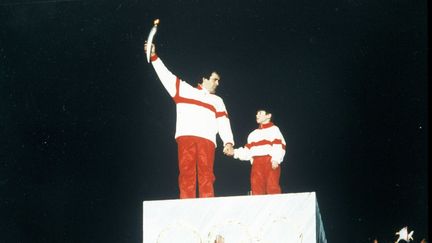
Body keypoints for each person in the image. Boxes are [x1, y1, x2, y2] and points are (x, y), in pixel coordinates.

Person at [144, 42, 234, 199]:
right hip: (186, 137)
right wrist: (153, 56)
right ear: (204, 78)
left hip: (207, 140)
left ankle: (207, 206)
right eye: (215, 79)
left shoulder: (217, 100)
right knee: (187, 173)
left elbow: (223, 122)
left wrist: (228, 142)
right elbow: (166, 75)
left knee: (207, 175)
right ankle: (186, 206)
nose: (217, 83)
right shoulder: (183, 90)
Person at [226, 109, 286, 195]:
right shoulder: (253, 134)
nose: (257, 115)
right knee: (256, 188)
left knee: (272, 186)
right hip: (256, 163)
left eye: (260, 113)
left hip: (269, 161)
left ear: (268, 115)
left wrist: (276, 159)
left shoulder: (274, 130)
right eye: (257, 114)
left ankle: (275, 207)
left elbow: (279, 146)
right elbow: (247, 151)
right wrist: (234, 152)